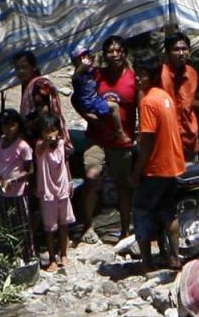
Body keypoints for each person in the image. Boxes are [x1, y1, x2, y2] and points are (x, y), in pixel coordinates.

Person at [75, 37, 138, 241]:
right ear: (104, 55)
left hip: (121, 142)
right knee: (91, 177)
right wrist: (89, 118)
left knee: (123, 186)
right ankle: (88, 226)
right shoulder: (97, 75)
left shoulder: (133, 79)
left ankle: (125, 231)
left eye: (119, 51)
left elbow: (141, 106)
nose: (115, 55)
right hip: (97, 138)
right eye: (110, 51)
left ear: (125, 54)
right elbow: (76, 98)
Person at [133, 67, 187, 269]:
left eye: (142, 74)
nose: (138, 78)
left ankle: (146, 263)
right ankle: (174, 257)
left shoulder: (148, 102)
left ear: (153, 76)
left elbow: (147, 141)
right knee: (168, 212)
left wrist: (136, 172)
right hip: (172, 165)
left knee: (142, 211)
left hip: (155, 167)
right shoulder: (164, 97)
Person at [154, 30, 199, 159]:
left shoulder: (192, 73)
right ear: (167, 53)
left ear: (189, 51)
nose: (181, 53)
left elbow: (191, 101)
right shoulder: (159, 74)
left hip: (189, 135)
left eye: (184, 49)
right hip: (166, 136)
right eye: (176, 50)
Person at [0, 109, 34, 262]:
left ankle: (28, 257)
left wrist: (13, 181)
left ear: (18, 125)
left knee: (23, 225)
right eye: (5, 125)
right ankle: (12, 257)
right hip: (3, 192)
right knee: (7, 226)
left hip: (19, 193)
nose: (8, 129)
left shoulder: (22, 146)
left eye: (12, 125)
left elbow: (29, 171)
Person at [32, 112, 74, 270]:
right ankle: (52, 258)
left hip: (62, 189)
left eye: (53, 130)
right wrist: (47, 141)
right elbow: (41, 149)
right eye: (47, 131)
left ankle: (64, 254)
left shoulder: (62, 144)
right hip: (47, 192)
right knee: (50, 227)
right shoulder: (39, 146)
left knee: (64, 224)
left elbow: (65, 163)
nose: (51, 134)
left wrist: (69, 181)